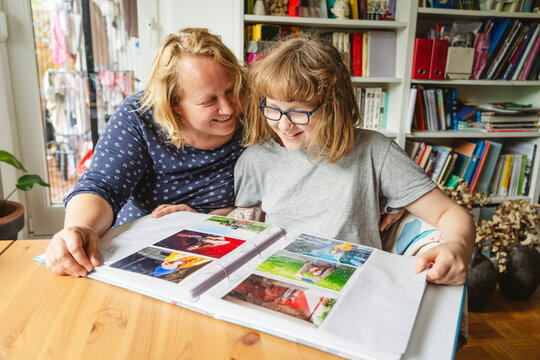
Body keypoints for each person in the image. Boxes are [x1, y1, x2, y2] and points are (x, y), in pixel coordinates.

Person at [234, 34, 475, 286]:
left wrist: (458, 246)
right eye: (272, 107)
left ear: (332, 106)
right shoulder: (255, 160)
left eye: (298, 111)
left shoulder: (375, 151)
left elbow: (450, 213)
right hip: (280, 280)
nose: (283, 124)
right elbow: (240, 223)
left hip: (356, 284)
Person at [45, 28, 246, 277]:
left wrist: (203, 220)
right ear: (175, 104)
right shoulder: (138, 116)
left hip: (225, 248)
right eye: (208, 101)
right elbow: (102, 185)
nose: (228, 107)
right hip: (140, 250)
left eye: (230, 90)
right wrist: (80, 229)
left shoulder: (254, 112)